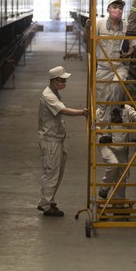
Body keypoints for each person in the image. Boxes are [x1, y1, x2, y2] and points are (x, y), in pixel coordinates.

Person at [37, 65, 88, 217]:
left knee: (56, 173)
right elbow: (63, 110)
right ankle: (45, 205)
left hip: (57, 139)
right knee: (51, 173)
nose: (64, 83)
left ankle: (49, 200)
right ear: (53, 81)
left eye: (65, 80)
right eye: (61, 80)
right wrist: (82, 113)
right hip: (50, 141)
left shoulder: (54, 92)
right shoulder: (49, 96)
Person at [93, 0, 131, 123]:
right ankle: (105, 134)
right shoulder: (99, 24)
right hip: (103, 68)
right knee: (103, 103)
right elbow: (88, 42)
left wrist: (129, 53)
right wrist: (88, 29)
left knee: (118, 83)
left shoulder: (127, 26)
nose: (118, 10)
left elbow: (133, 45)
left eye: (120, 8)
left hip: (120, 66)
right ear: (108, 9)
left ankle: (115, 109)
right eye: (115, 7)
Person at [97, 103, 136, 200]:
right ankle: (104, 188)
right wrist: (102, 132)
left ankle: (118, 205)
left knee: (121, 177)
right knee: (113, 164)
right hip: (106, 145)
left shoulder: (127, 109)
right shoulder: (103, 110)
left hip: (122, 148)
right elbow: (94, 125)